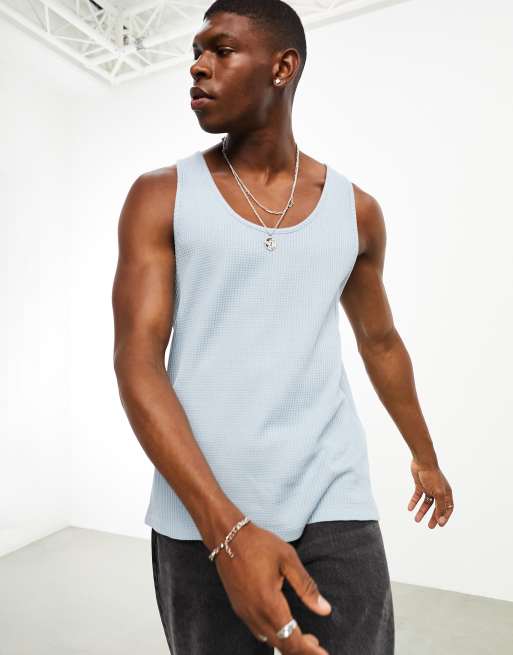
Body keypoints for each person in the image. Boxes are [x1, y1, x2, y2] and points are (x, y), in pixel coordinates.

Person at [112, 1, 454, 653]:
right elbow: (137, 361)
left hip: (332, 499)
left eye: (220, 50)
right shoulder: (160, 196)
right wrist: (226, 532)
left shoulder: (355, 211)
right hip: (198, 510)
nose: (197, 66)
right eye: (195, 52)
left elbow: (380, 341)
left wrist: (425, 456)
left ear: (282, 66)